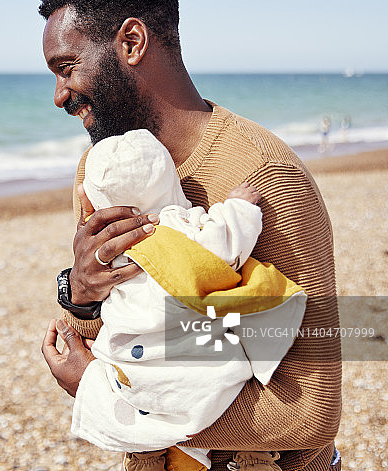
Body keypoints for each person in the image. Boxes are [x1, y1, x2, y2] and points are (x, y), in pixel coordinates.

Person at [37, 0, 341, 471]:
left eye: (67, 68)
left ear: (132, 42)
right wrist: (81, 294)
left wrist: (110, 397)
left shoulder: (267, 176)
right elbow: (116, 337)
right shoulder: (97, 170)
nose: (59, 95)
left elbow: (310, 412)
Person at [71, 128, 307, 471]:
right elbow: (227, 244)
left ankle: (145, 454)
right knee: (234, 349)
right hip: (201, 379)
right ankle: (252, 455)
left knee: (116, 372)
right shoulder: (181, 226)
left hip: (136, 373)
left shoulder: (104, 251)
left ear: (93, 201)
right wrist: (239, 207)